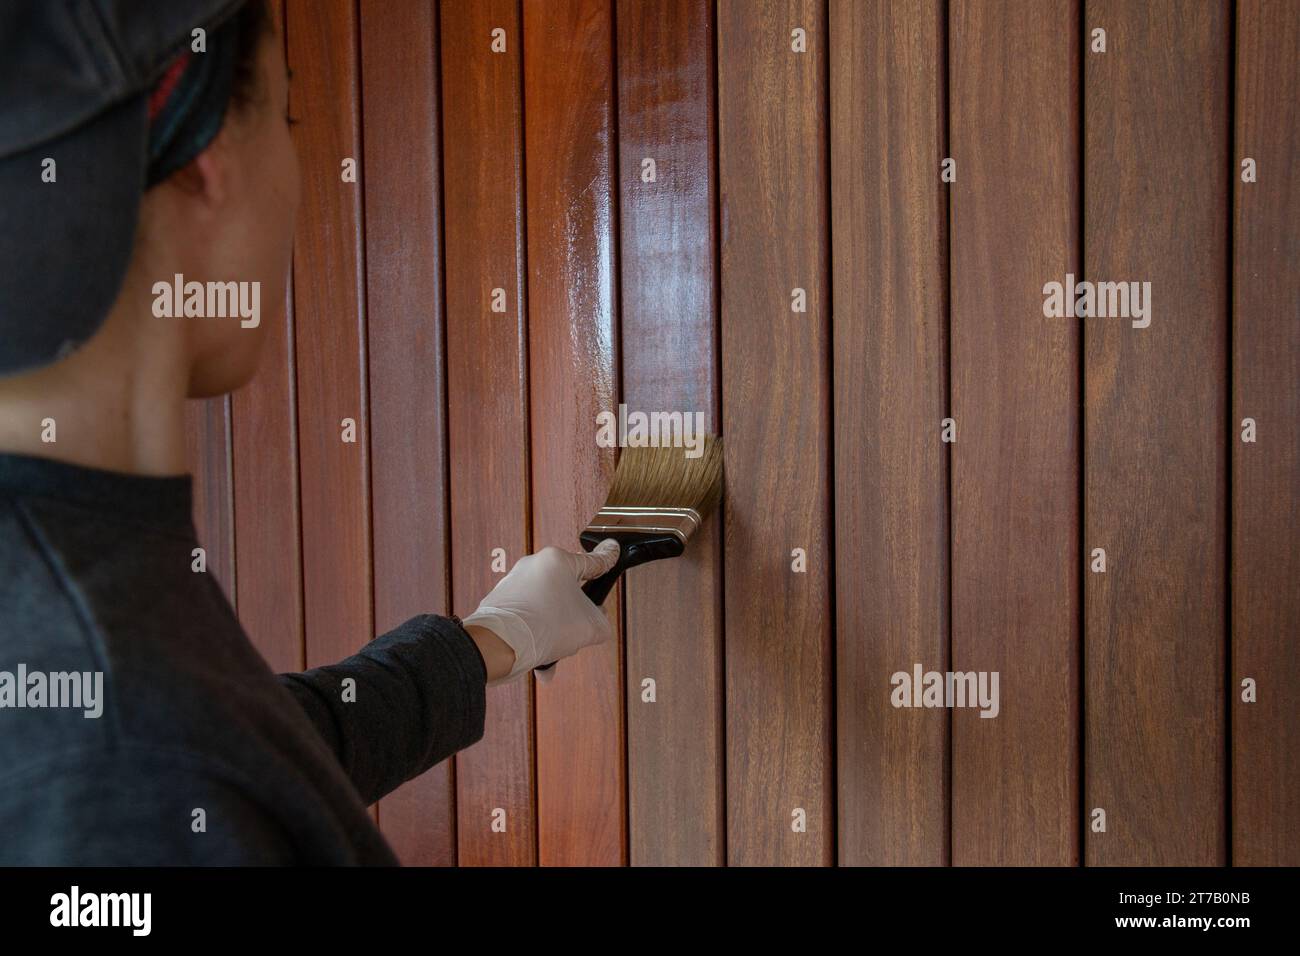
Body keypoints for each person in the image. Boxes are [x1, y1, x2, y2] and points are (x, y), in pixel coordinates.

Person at [0, 0, 618, 864]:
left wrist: (493, 639)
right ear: (206, 159)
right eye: (286, 114)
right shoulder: (125, 761)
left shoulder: (77, 616)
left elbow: (267, 750)